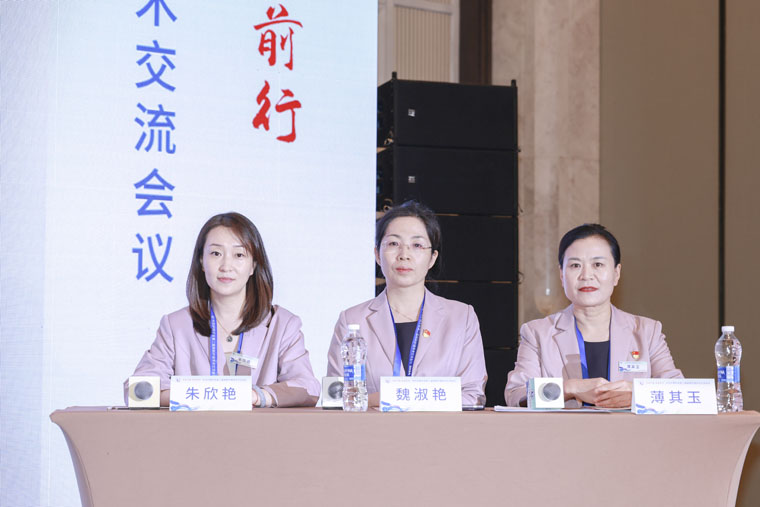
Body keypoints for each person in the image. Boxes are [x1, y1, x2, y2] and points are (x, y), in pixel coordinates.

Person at [125, 212, 320, 407]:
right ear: (201, 261)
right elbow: (138, 390)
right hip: (196, 427)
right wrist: (205, 396)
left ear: (253, 265)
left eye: (239, 255)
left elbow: (308, 388)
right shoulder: (176, 325)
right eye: (216, 254)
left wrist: (256, 396)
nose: (226, 266)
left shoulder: (282, 325)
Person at [327, 201, 487, 407]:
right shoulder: (352, 319)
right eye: (394, 244)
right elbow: (335, 397)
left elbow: (473, 396)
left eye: (417, 245)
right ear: (377, 254)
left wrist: (389, 397)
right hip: (373, 428)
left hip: (443, 428)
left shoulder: (461, 317)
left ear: (432, 258)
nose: (404, 255)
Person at [505, 223, 683, 408]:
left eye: (598, 264)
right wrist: (570, 388)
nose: (586, 275)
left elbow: (680, 392)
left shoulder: (647, 332)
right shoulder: (538, 333)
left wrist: (637, 395)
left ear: (616, 273)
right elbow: (515, 396)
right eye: (575, 265)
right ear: (562, 275)